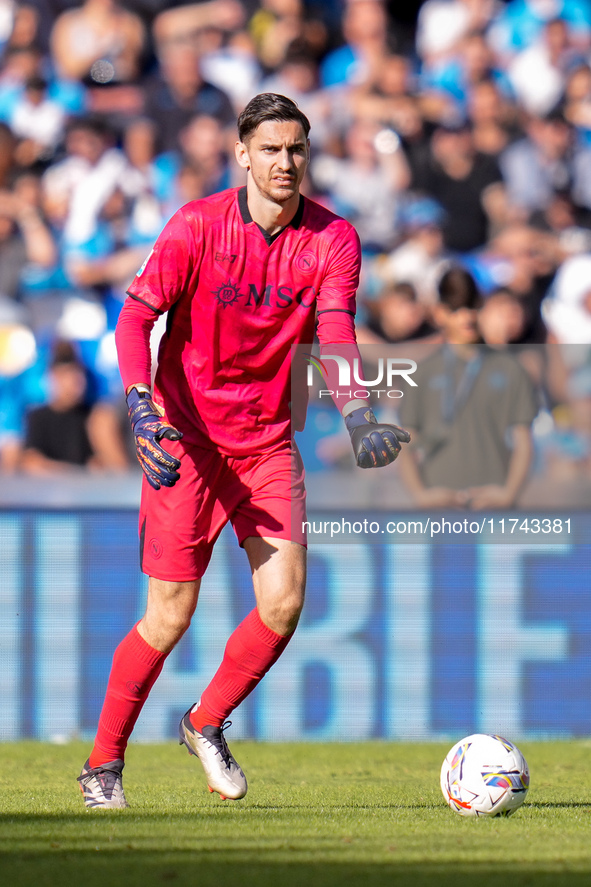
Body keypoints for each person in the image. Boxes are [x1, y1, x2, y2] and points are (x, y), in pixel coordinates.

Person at [77, 92, 410, 809]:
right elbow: (135, 319)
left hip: (264, 441)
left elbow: (336, 333)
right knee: (168, 615)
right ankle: (103, 764)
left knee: (284, 603)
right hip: (186, 439)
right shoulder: (196, 226)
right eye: (270, 149)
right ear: (242, 155)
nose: (284, 162)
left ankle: (204, 719)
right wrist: (140, 404)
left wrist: (356, 414)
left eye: (295, 149)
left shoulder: (333, 239)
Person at [398, 266, 537, 509]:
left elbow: (523, 440)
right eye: (456, 309)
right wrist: (421, 495)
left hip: (494, 506)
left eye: (472, 307)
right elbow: (406, 441)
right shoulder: (420, 372)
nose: (467, 317)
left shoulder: (511, 369)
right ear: (439, 313)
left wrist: (508, 495)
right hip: (439, 507)